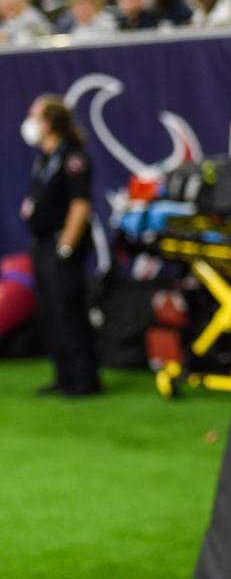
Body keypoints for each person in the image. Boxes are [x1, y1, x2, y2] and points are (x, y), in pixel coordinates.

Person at [19, 95, 102, 396]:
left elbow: (80, 206)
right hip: (41, 244)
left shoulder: (72, 157)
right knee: (50, 310)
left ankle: (84, 379)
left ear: (49, 122)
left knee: (69, 310)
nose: (28, 123)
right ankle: (63, 375)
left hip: (62, 245)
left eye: (34, 116)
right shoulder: (44, 156)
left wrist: (65, 247)